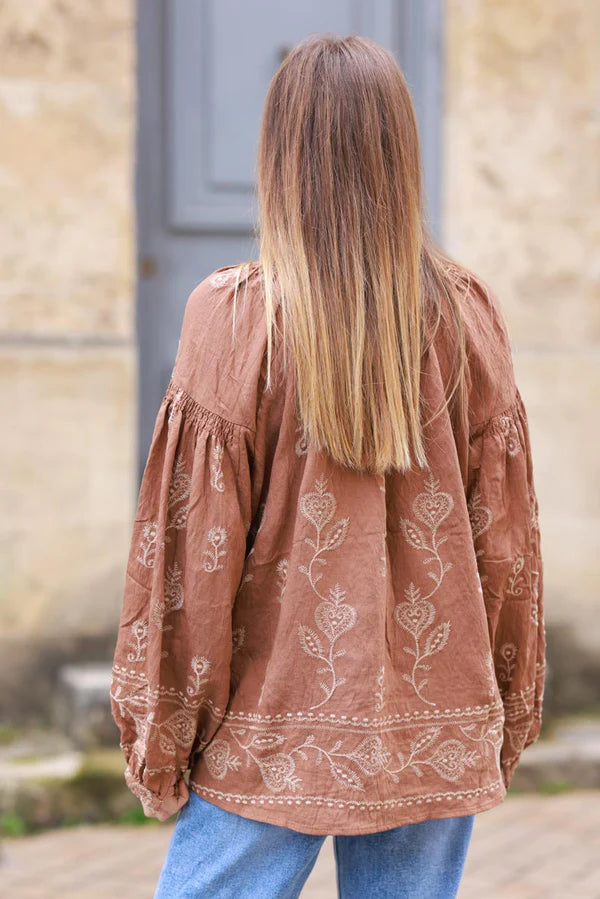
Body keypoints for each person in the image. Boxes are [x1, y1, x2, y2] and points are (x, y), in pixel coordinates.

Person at [109, 34, 546, 899]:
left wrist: (163, 729)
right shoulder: (466, 315)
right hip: (434, 719)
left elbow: (190, 557)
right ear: (400, 152)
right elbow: (509, 547)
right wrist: (502, 702)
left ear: (280, 155)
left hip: (268, 730)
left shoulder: (234, 315)